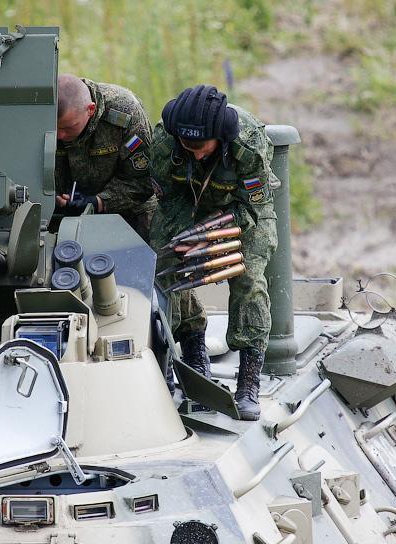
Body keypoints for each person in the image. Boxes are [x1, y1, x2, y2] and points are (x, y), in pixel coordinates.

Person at [150, 85, 279, 420]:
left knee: (249, 279)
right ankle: (191, 353)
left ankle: (249, 381)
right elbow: (168, 198)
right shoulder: (165, 141)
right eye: (186, 146)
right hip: (186, 209)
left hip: (242, 213)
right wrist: (183, 240)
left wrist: (208, 238)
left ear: (219, 137)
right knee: (161, 267)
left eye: (200, 147)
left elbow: (253, 206)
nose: (193, 154)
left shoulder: (249, 144)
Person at [54, 74, 157, 240]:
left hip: (125, 212)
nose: (59, 135)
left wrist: (98, 202)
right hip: (61, 213)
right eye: (55, 127)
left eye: (68, 127)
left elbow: (143, 181)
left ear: (91, 109)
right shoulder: (38, 112)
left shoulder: (125, 113)